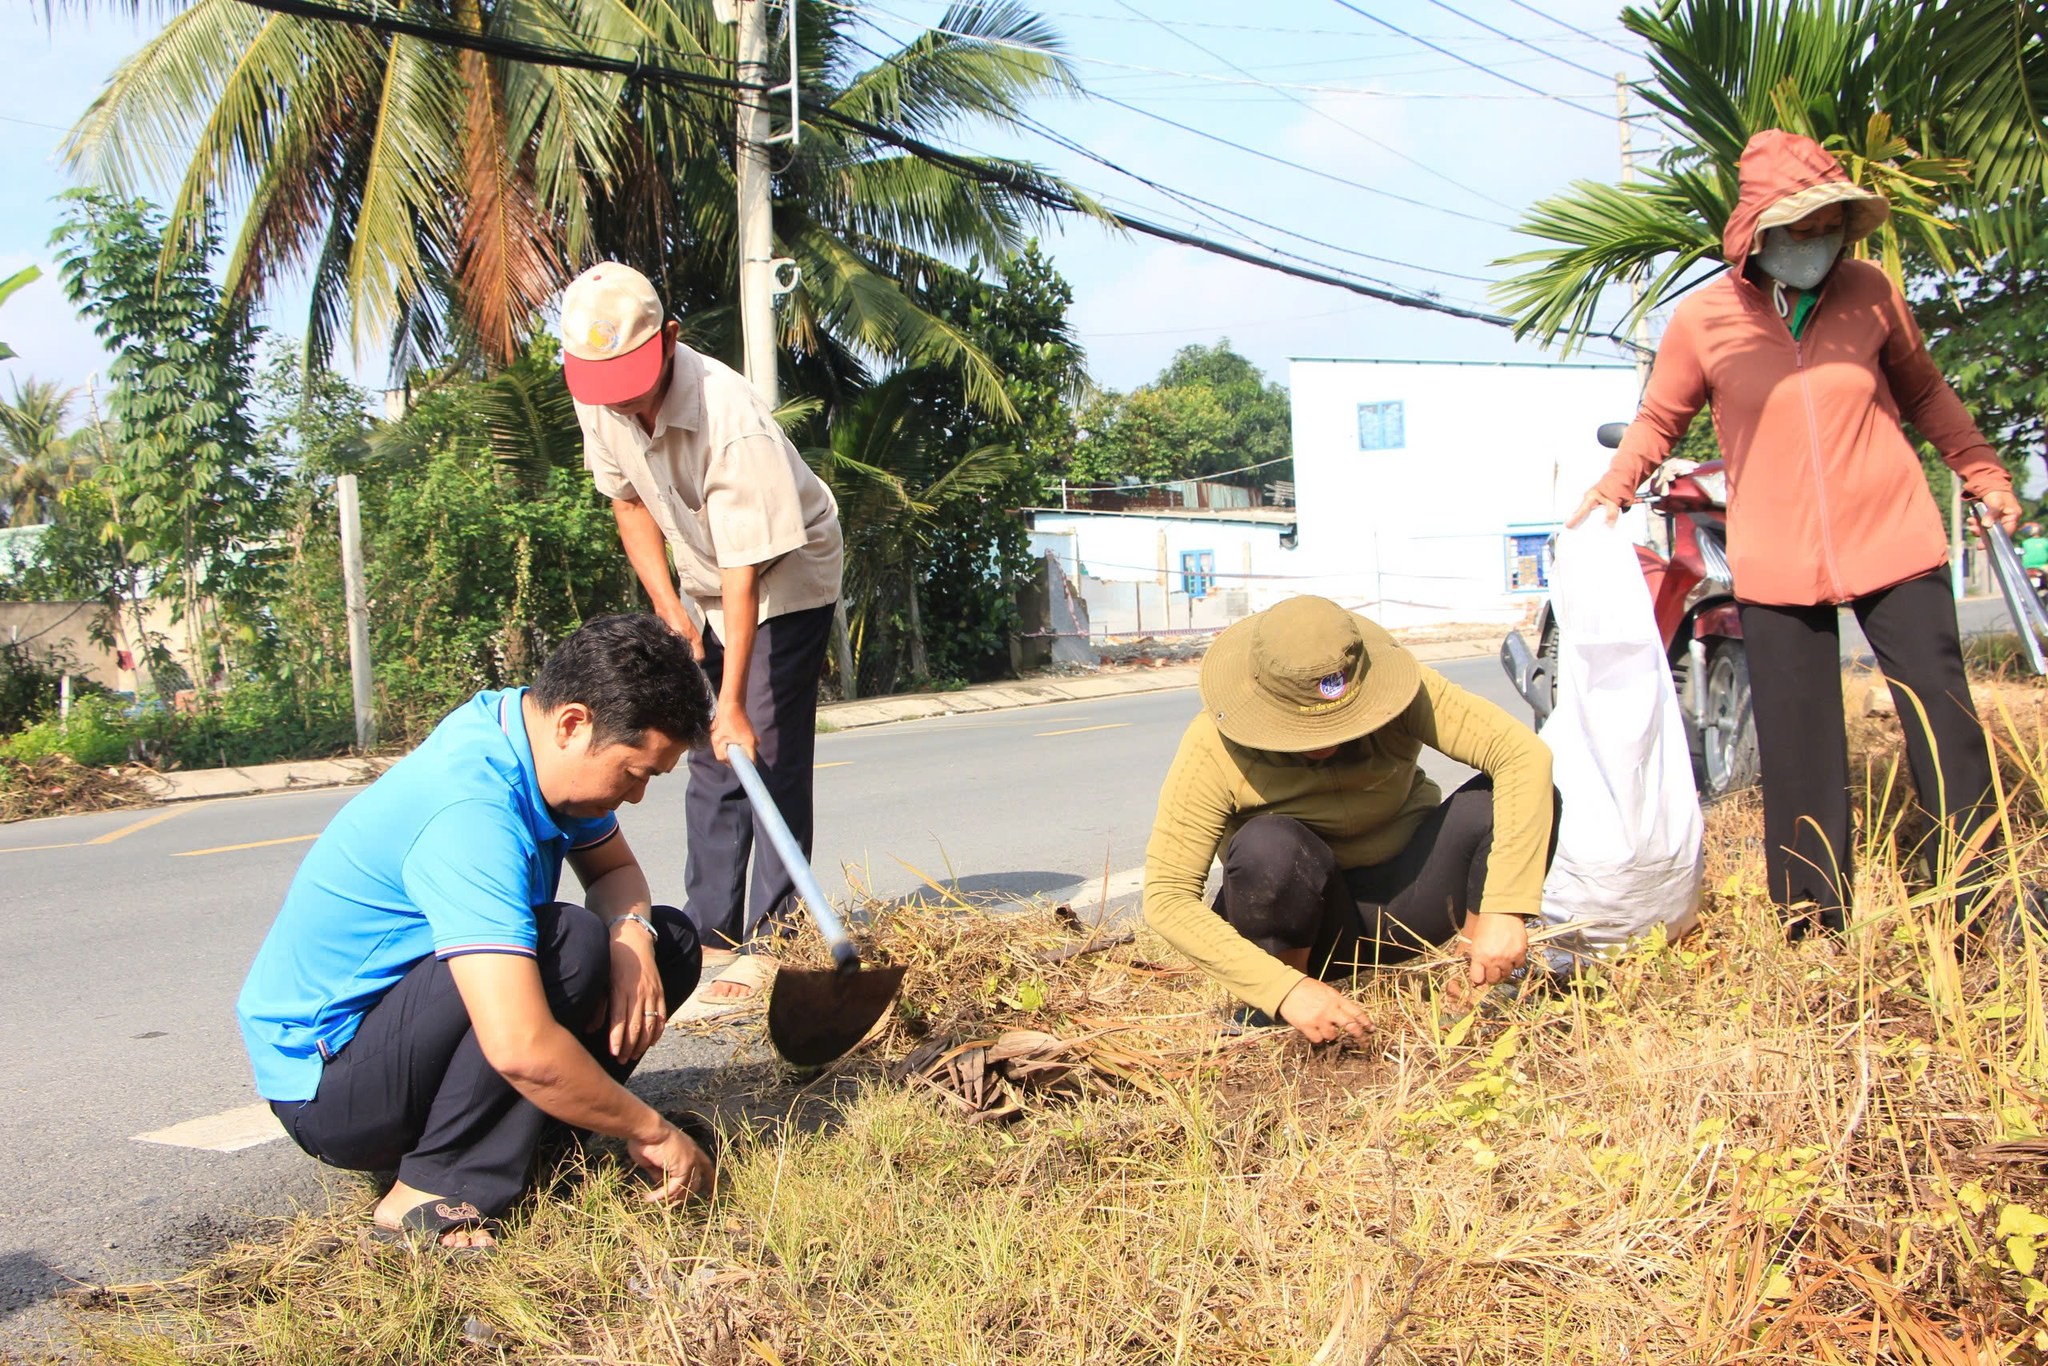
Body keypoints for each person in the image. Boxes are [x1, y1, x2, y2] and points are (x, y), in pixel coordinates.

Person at [1571, 129, 2024, 938]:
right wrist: (1614, 487)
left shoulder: (1873, 293)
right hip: (1778, 557)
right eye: (1802, 229)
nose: (1819, 244)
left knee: (1943, 724)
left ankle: (1985, 902)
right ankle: (1814, 924)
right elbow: (1659, 420)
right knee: (1799, 742)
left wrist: (1984, 472)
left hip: (1894, 535)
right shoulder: (1705, 320)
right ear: (1758, 234)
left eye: (1831, 228)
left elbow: (1927, 395)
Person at [236, 615, 716, 1251]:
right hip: (331, 1090)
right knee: (568, 946)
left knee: (667, 942)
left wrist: (631, 939)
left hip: (408, 1036)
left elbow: (618, 872)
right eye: (635, 773)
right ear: (574, 723)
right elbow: (518, 1045)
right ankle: (428, 1190)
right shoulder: (469, 811)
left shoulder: (526, 733)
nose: (635, 798)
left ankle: (530, 1149)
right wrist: (652, 1130)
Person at [560, 262, 846, 1001]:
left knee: (762, 743)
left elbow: (748, 571)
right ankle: (713, 929)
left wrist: (735, 702)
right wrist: (671, 611)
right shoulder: (602, 394)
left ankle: (779, 935)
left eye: (628, 377)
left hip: (783, 571)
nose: (618, 397)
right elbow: (627, 505)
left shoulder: (731, 420)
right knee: (705, 754)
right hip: (700, 572)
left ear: (670, 341)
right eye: (603, 383)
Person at [1142, 596, 1556, 1044]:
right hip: (1306, 927)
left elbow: (1522, 755)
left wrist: (1504, 905)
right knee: (1269, 846)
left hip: (1412, 900)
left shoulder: (1402, 690)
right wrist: (1283, 990)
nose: (1329, 740)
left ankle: (1474, 991)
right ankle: (1284, 1014)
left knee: (1504, 801)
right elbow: (1167, 897)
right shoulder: (1212, 743)